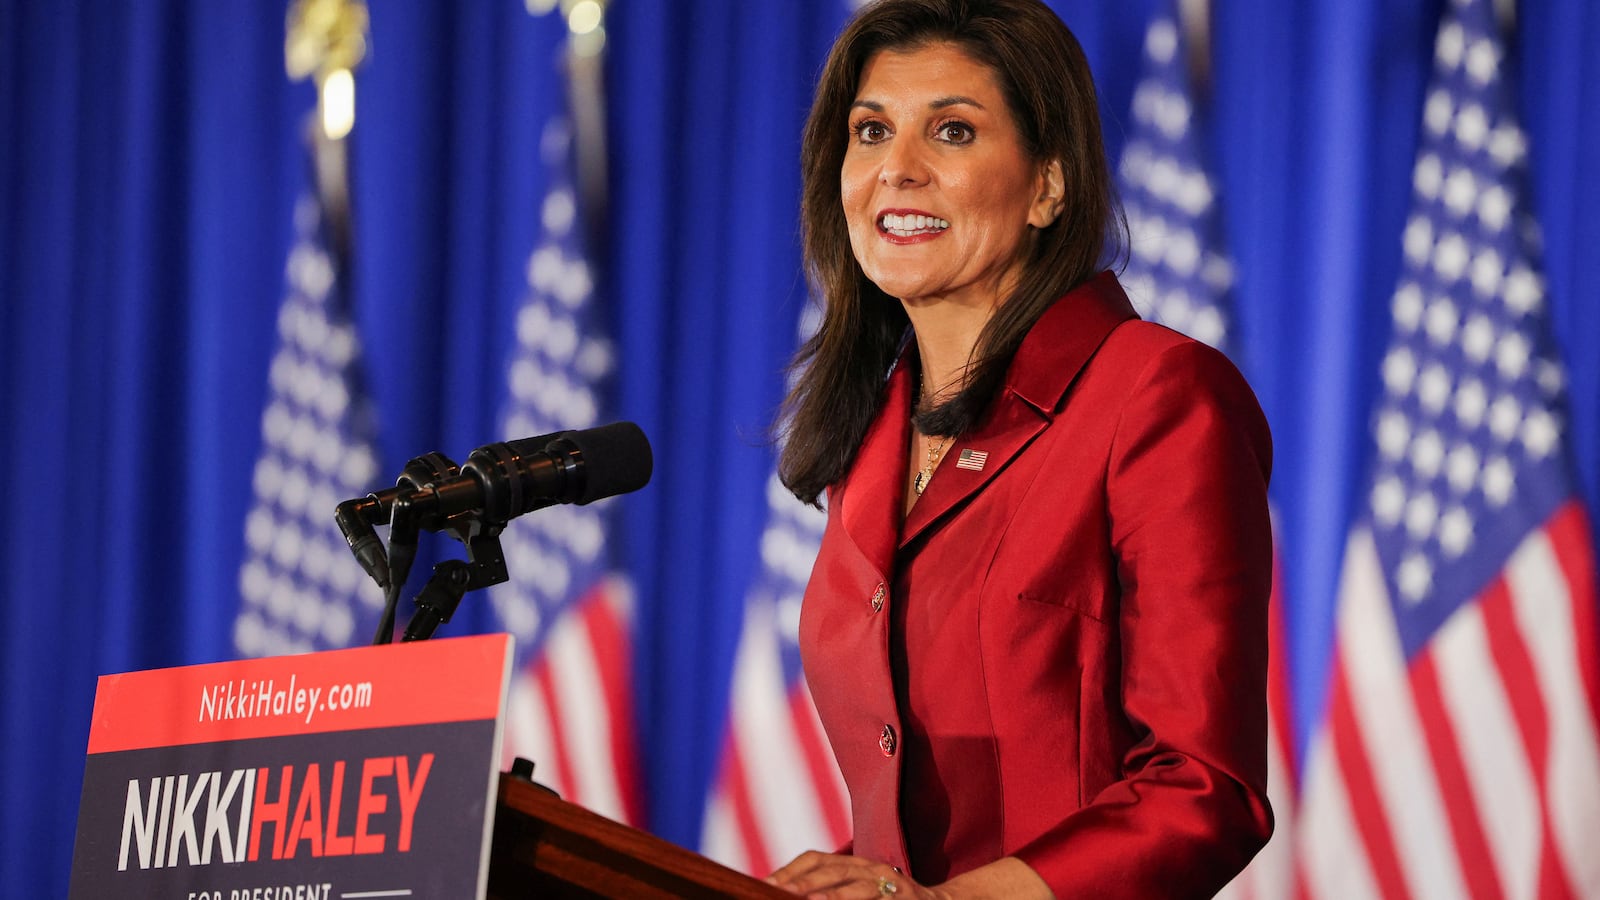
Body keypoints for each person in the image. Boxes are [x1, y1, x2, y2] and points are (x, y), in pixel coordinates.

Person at [766, 1, 1274, 898]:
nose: (898, 170)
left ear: (1049, 184)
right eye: (871, 131)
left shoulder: (1158, 396)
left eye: (952, 131)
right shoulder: (874, 436)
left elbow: (1205, 789)